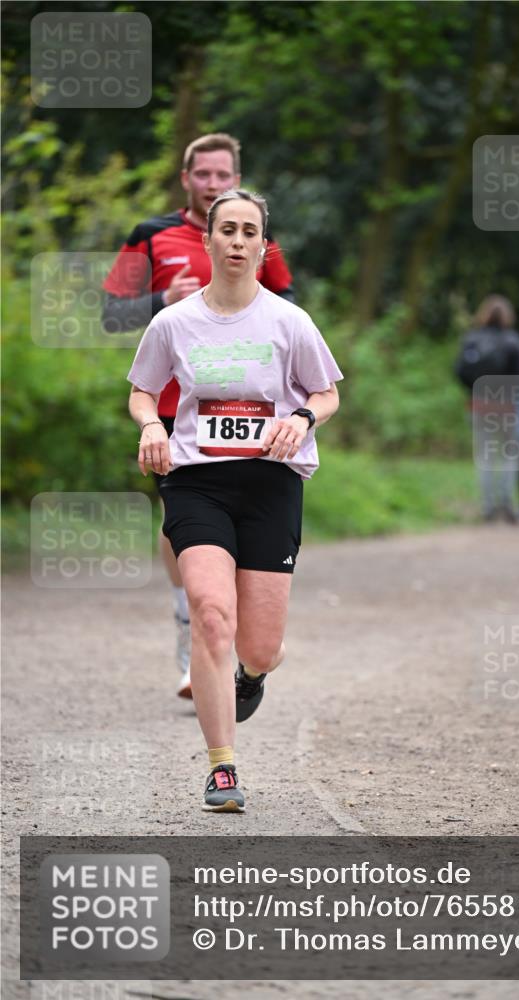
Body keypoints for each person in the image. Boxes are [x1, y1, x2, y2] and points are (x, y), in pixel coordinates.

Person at [127, 189, 342, 811]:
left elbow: (326, 393)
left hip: (271, 481)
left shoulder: (288, 321)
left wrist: (301, 419)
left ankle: (253, 672)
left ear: (263, 245)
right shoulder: (173, 322)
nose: (239, 241)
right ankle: (222, 768)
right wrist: (151, 426)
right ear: (209, 240)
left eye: (251, 231)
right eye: (228, 230)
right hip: (197, 480)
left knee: (259, 645)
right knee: (211, 612)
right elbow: (144, 391)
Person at [103, 133, 294, 696]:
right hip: (169, 413)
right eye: (203, 175)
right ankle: (194, 627)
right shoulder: (150, 235)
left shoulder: (254, 233)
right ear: (186, 177)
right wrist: (161, 302)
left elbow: (287, 299)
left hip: (248, 411)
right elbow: (111, 313)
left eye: (223, 176)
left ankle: (241, 641)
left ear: (235, 178)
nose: (213, 184)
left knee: (243, 545)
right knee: (180, 528)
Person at [455, 295, 519, 523]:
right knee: (509, 456)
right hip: (506, 406)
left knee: (485, 456)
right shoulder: (514, 341)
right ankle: (506, 504)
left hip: (479, 405)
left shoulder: (471, 339)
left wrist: (474, 389)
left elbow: (459, 371)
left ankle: (487, 507)